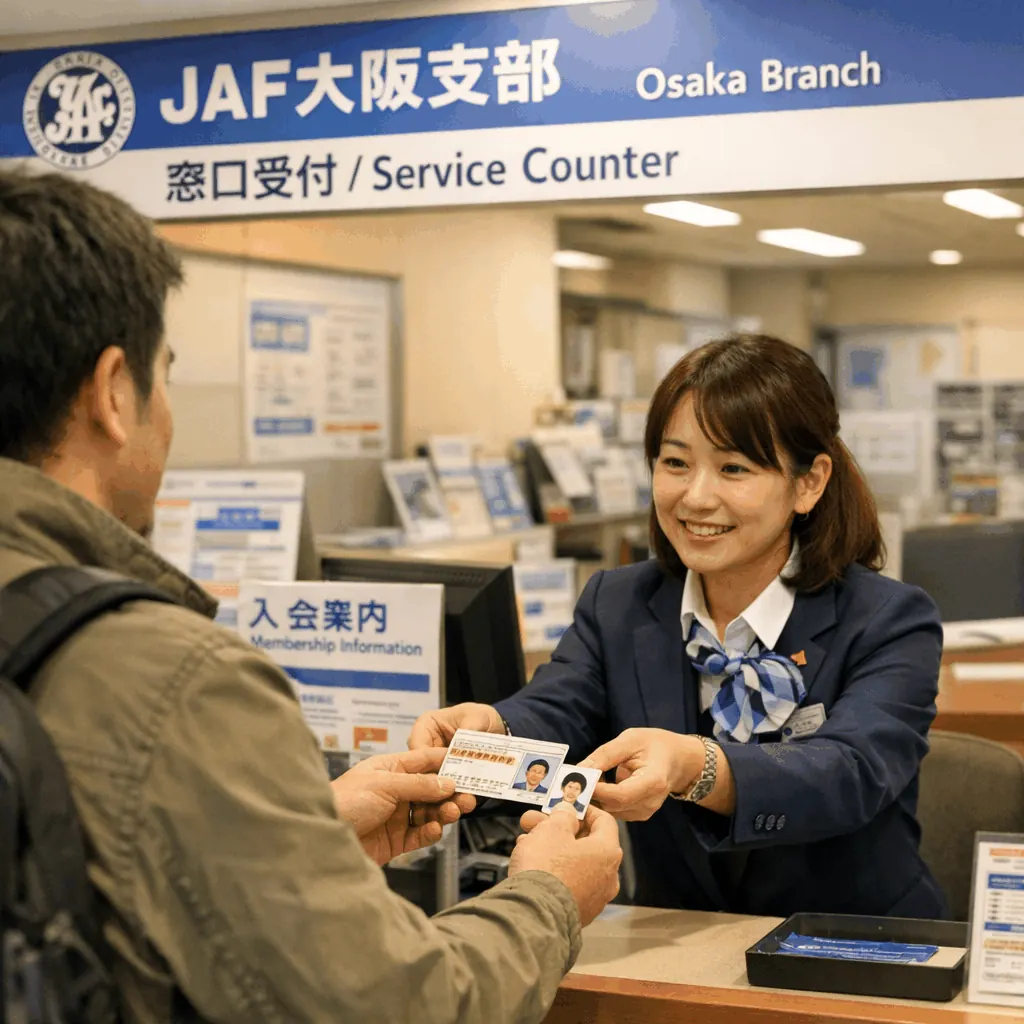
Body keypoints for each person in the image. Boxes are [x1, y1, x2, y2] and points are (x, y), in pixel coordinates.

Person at [0, 168, 623, 1024]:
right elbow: (400, 1008)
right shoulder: (174, 678)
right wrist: (550, 894)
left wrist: (303, 835)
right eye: (164, 377)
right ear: (114, 392)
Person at [412, 334, 949, 920]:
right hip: (675, 937)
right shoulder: (619, 602)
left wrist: (698, 766)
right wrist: (492, 730)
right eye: (675, 463)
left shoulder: (890, 618)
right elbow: (559, 707)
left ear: (809, 483)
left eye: (733, 468)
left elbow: (851, 772)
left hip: (855, 944)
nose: (695, 497)